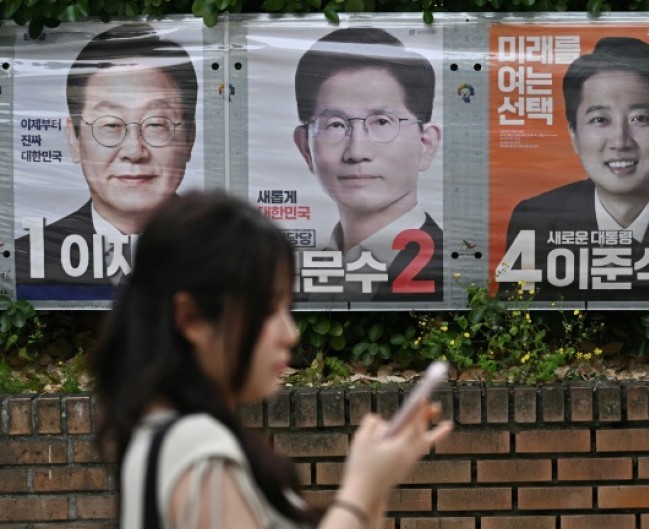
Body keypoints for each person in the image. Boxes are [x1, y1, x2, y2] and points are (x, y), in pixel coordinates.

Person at [90, 191, 452, 529]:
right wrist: (360, 489)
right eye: (267, 311)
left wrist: (374, 485)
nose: (290, 334)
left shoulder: (158, 433)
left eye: (286, 308)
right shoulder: (198, 448)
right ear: (190, 318)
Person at [15, 23, 198, 299]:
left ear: (189, 138)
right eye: (111, 125)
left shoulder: (230, 255)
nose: (134, 151)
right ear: (74, 139)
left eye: (156, 124)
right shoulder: (26, 260)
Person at [498, 37, 649, 302]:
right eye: (600, 119)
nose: (620, 141)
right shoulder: (536, 219)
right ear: (574, 135)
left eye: (640, 118)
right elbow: (513, 314)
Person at [292, 28, 443, 302]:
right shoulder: (295, 283)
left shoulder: (454, 271)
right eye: (335, 125)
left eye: (382, 122)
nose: (356, 152)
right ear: (305, 149)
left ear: (426, 143)